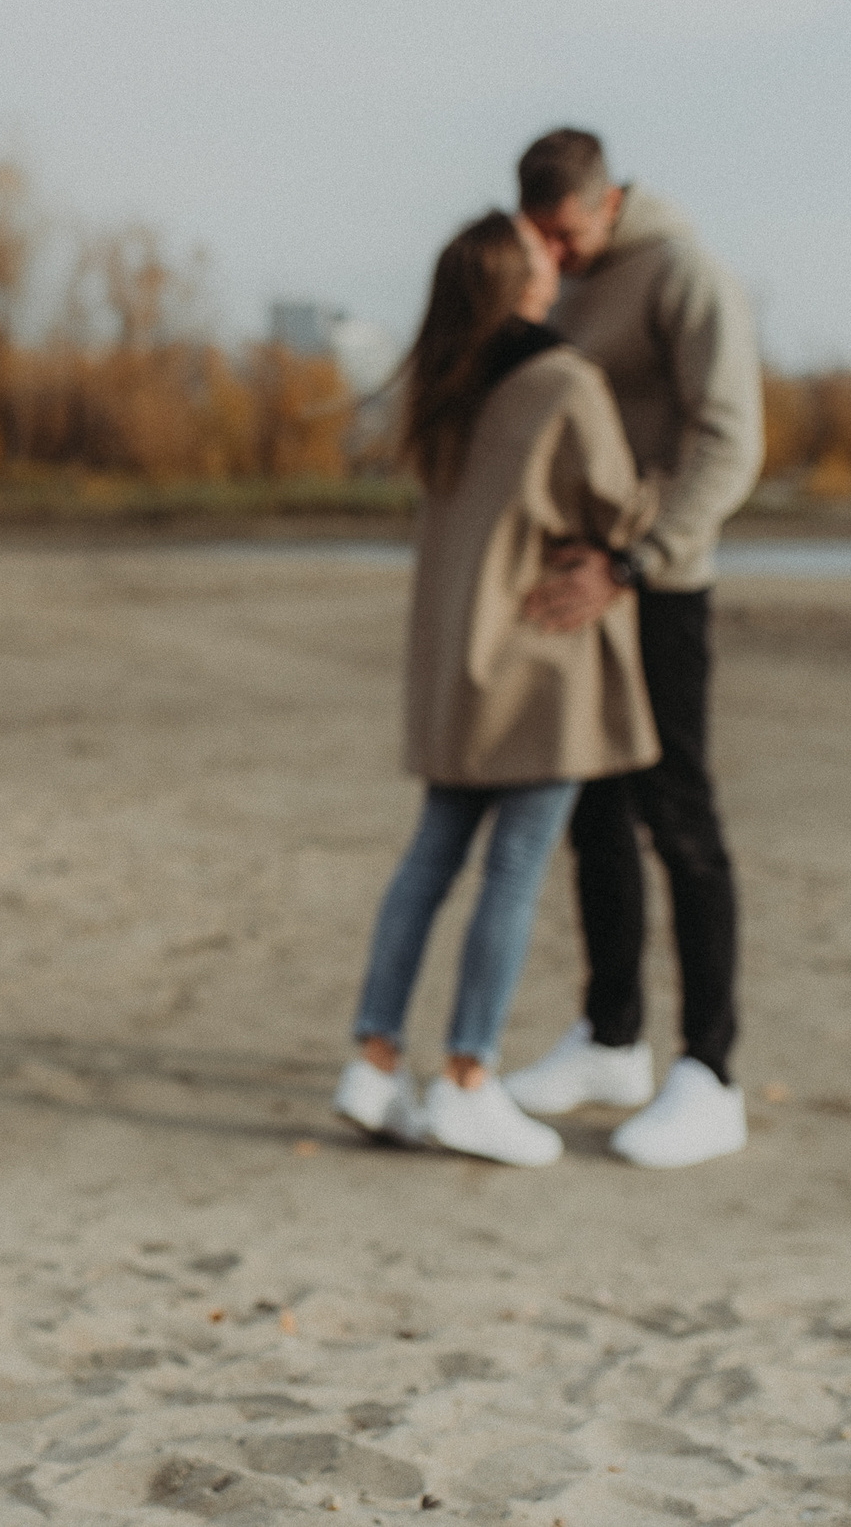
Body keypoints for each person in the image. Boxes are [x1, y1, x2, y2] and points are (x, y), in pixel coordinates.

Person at [333, 210, 659, 1168]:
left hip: (456, 668)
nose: (554, 264)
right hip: (538, 660)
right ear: (520, 284)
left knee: (431, 858)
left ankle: (374, 1059)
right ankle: (469, 1077)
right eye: (537, 254)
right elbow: (618, 506)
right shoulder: (563, 382)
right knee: (514, 870)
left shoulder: (445, 389)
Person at [498, 127, 763, 1169]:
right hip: (583, 590)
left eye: (566, 236)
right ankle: (612, 1040)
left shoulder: (684, 273)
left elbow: (731, 440)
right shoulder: (560, 282)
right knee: (594, 812)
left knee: (678, 816)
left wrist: (636, 560)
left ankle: (711, 1073)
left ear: (607, 203)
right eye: (541, 240)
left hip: (658, 587)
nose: (556, 256)